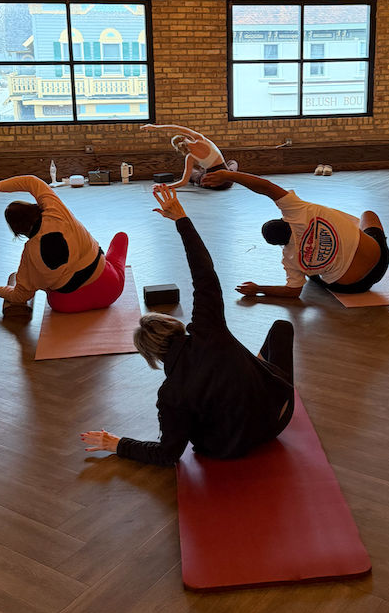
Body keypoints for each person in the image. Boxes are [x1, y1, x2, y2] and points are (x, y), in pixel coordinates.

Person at [81, 186, 294, 466]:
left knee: (212, 402)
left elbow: (167, 454)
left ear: (153, 355)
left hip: (226, 448)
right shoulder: (209, 329)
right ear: (174, 326)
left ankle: (251, 372)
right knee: (282, 327)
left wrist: (119, 444)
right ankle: (253, 372)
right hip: (279, 417)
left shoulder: (171, 394)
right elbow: (204, 272)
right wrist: (181, 219)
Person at [201, 168, 389, 296]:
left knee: (309, 273)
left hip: (354, 287)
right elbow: (265, 187)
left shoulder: (290, 258)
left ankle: (322, 267)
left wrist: (259, 289)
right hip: (380, 258)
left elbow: (293, 292)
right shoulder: (297, 210)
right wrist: (228, 174)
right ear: (284, 220)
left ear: (280, 245)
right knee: (367, 214)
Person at [0, 175, 128, 312]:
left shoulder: (28, 256)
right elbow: (31, 181)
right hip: (110, 288)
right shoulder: (55, 210)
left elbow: (20, 296)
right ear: (35, 208)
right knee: (121, 238)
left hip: (66, 304)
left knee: (46, 286)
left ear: (18, 232)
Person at [141, 122, 235, 190]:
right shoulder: (200, 139)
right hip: (227, 181)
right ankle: (230, 172)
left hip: (210, 183)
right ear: (185, 137)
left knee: (192, 172)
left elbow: (183, 182)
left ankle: (199, 174)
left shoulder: (190, 157)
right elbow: (177, 127)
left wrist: (164, 187)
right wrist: (155, 127)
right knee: (232, 163)